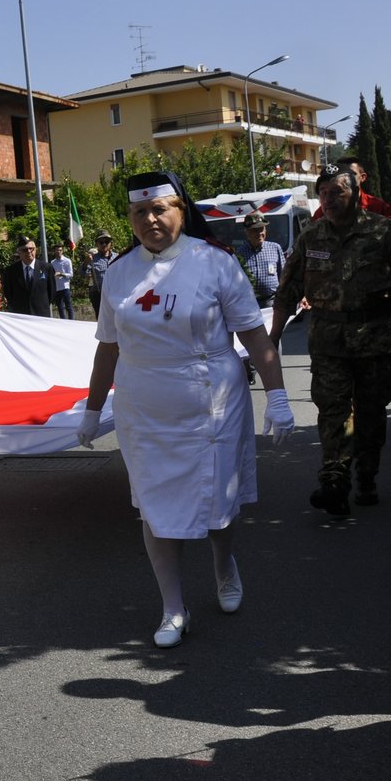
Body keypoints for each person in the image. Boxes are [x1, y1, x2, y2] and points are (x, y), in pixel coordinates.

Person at [78, 170, 293, 648]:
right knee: (154, 508)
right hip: (145, 407)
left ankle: (224, 564)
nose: (150, 219)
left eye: (160, 209)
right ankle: (173, 607)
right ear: (130, 218)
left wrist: (277, 395)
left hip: (211, 401)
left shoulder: (216, 263)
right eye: (140, 212)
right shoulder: (118, 272)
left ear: (180, 210)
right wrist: (92, 410)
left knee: (219, 500)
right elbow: (107, 348)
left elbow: (254, 336)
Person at [271, 162, 391, 515]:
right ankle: (334, 480)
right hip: (328, 342)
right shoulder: (311, 236)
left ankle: (367, 476)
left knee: (370, 413)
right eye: (323, 193)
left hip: (373, 339)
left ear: (355, 194)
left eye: (337, 191)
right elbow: (287, 290)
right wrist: (271, 337)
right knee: (333, 411)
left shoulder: (383, 231)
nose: (330, 199)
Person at [240, 212, 285, 307]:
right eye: (255, 230)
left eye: (262, 229)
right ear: (247, 232)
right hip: (249, 304)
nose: (260, 233)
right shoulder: (239, 254)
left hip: (272, 301)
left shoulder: (275, 248)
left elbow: (284, 275)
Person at [2, 236, 52, 318]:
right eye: (25, 250)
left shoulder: (46, 268)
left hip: (41, 315)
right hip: (20, 316)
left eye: (31, 249)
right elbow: (8, 293)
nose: (28, 252)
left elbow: (51, 292)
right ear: (19, 252)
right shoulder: (10, 271)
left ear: (35, 250)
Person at [87, 230, 116, 317]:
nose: (104, 244)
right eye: (101, 242)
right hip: (99, 295)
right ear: (97, 244)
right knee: (102, 320)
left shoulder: (118, 257)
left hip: (115, 293)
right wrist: (85, 263)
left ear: (110, 243)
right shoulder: (92, 259)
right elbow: (82, 273)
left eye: (106, 242)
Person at [49, 243, 75, 319]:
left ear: (62, 251)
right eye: (57, 250)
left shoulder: (67, 261)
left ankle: (71, 322)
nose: (58, 252)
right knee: (60, 308)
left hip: (65, 287)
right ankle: (63, 322)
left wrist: (61, 274)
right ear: (54, 251)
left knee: (68, 306)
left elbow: (71, 274)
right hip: (57, 288)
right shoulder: (52, 262)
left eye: (60, 250)